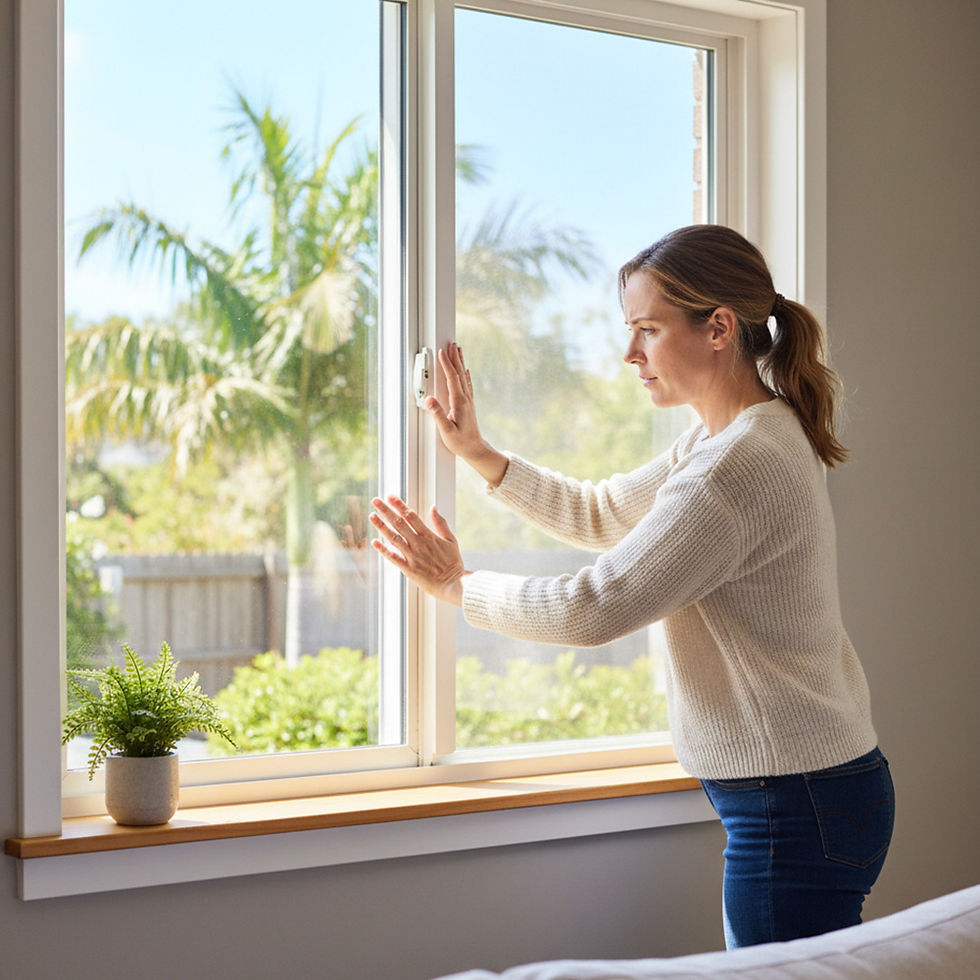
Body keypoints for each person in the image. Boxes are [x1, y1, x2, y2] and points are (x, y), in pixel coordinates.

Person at [370, 224, 894, 949]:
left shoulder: (734, 466)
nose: (629, 355)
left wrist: (460, 586)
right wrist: (480, 456)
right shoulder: (732, 436)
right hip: (814, 789)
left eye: (647, 330)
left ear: (718, 328)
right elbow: (602, 513)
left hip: (794, 803)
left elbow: (595, 608)